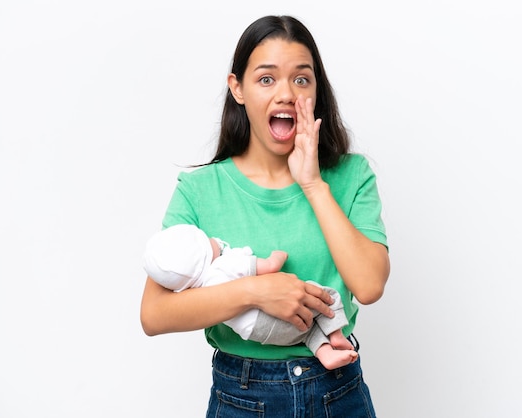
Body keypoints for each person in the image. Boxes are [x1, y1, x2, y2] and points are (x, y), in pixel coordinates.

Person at [140, 14, 390, 417]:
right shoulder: (201, 190)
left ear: (316, 91)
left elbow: (369, 285)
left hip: (337, 393)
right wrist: (256, 292)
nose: (287, 94)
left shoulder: (350, 176)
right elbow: (154, 315)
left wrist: (312, 184)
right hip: (242, 397)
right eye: (267, 79)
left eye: (302, 79)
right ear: (237, 88)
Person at [142, 223, 358, 370]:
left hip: (258, 334)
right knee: (325, 296)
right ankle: (336, 333)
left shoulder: (198, 292)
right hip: (269, 319)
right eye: (208, 240)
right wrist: (278, 255)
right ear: (206, 255)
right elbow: (270, 265)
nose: (214, 240)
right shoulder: (224, 265)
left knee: (305, 332)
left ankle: (326, 353)